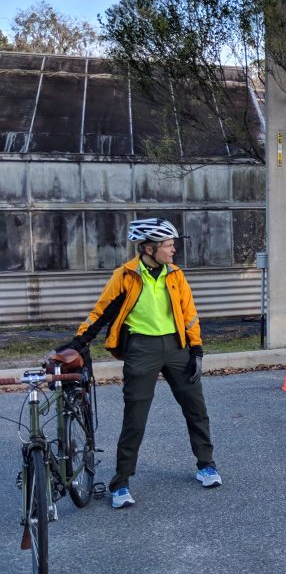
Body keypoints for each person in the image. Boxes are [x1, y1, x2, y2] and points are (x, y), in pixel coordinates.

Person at [58, 218, 221, 509]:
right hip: (141, 348)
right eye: (168, 246)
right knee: (135, 418)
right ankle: (120, 484)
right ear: (149, 247)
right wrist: (78, 342)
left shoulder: (176, 275)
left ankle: (206, 465)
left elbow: (189, 314)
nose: (173, 251)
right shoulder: (126, 276)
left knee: (196, 408)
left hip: (176, 347)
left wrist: (196, 350)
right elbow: (101, 311)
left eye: (173, 245)